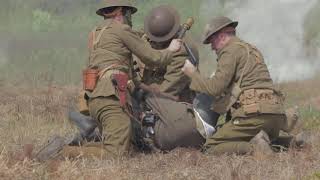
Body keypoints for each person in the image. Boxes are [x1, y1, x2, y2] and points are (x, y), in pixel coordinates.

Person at [35, 0, 181, 161]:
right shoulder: (122, 30)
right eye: (128, 13)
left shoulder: (96, 34)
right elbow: (154, 59)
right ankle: (61, 151)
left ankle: (67, 145)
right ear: (120, 12)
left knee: (125, 146)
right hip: (111, 97)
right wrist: (171, 49)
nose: (129, 17)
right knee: (115, 154)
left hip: (95, 99)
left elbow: (121, 67)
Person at [181, 16, 287, 155]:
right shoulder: (250, 49)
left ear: (222, 37)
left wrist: (193, 74)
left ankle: (255, 149)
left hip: (254, 114)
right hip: (276, 115)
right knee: (257, 137)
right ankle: (292, 141)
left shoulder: (229, 50)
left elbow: (215, 88)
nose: (212, 48)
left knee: (211, 146)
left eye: (212, 42)